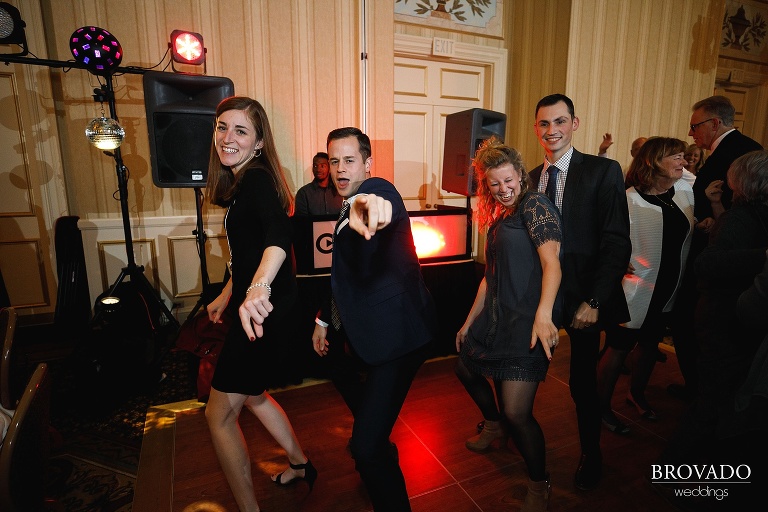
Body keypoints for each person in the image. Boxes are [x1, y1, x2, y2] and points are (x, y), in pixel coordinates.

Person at [311, 127, 437, 511]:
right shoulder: (344, 205)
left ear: (367, 162)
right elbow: (344, 276)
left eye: (349, 160)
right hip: (369, 332)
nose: (340, 169)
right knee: (336, 366)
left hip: (399, 339)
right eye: (334, 161)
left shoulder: (377, 191)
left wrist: (370, 208)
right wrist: (322, 321)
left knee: (365, 449)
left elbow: (375, 201)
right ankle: (378, 442)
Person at [204, 96, 315, 512]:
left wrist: (257, 290)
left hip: (265, 311)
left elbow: (276, 237)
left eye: (240, 130)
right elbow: (248, 252)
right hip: (263, 307)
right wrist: (229, 292)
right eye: (222, 127)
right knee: (253, 395)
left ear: (259, 141)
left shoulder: (256, 180)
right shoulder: (242, 180)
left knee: (218, 416)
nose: (227, 137)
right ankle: (301, 464)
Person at [529, 93, 631, 491]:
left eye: (559, 121)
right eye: (543, 124)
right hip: (541, 294)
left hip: (584, 296)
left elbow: (616, 242)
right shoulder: (532, 177)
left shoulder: (603, 171)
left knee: (581, 382)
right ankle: (507, 422)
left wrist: (595, 300)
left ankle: (592, 452)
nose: (551, 130)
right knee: (516, 364)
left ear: (575, 123)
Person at [454, 138, 562, 512]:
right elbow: (489, 276)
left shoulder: (536, 205)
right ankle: (493, 424)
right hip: (495, 318)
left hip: (525, 323)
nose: (503, 189)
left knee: (519, 412)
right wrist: (469, 322)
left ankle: (539, 483)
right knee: (464, 367)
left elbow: (553, 264)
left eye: (508, 180)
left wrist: (545, 314)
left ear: (520, 174)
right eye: (494, 183)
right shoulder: (499, 217)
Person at [657, 150, 768, 507]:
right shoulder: (740, 219)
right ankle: (671, 471)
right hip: (723, 321)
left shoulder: (749, 215)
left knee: (722, 397)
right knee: (713, 398)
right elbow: (706, 265)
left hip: (736, 321)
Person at [668, 96, 763, 402]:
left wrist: (715, 214)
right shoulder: (731, 149)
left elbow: (746, 205)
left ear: (714, 123)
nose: (690, 132)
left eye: (695, 125)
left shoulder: (743, 151)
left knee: (691, 324)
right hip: (722, 247)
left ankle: (702, 395)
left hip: (723, 255)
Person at [596, 138, 694, 436]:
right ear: (653, 162)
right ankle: (598, 407)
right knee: (618, 348)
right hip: (634, 289)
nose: (683, 161)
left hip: (670, 288)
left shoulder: (685, 192)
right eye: (675, 156)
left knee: (650, 344)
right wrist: (613, 258)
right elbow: (600, 235)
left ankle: (635, 394)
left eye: (683, 156)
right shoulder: (627, 199)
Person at [294, 151, 344, 215]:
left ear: (329, 168)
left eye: (322, 166)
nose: (318, 169)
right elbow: (301, 221)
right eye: (315, 166)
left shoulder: (339, 191)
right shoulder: (304, 193)